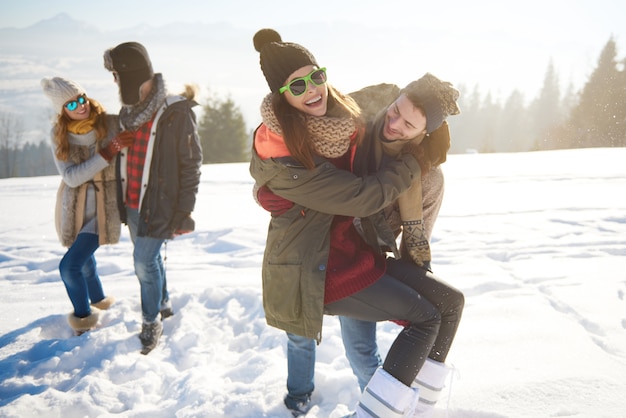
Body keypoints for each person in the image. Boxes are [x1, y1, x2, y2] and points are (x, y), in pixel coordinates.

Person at [249, 28, 464, 417]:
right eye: (298, 84)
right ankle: (324, 400)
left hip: (358, 251)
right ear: (282, 95)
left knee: (450, 304)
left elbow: (385, 98)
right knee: (325, 340)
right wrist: (417, 159)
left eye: (316, 76)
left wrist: (433, 122)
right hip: (313, 266)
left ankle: (422, 408)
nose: (313, 89)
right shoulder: (287, 146)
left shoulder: (344, 115)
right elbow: (361, 195)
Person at [102, 42, 202, 354]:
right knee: (152, 260)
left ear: (131, 75)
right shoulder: (129, 114)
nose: (116, 83)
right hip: (132, 205)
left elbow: (191, 165)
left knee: (143, 263)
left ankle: (151, 321)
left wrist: (184, 212)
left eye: (118, 76)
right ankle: (164, 302)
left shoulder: (175, 112)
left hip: (161, 207)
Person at [42, 76, 133, 335]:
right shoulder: (59, 134)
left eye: (82, 99)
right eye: (71, 105)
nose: (81, 106)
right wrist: (107, 153)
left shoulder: (109, 124)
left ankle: (83, 320)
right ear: (62, 111)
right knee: (84, 263)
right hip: (74, 208)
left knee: (68, 266)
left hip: (105, 208)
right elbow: (71, 176)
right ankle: (98, 301)